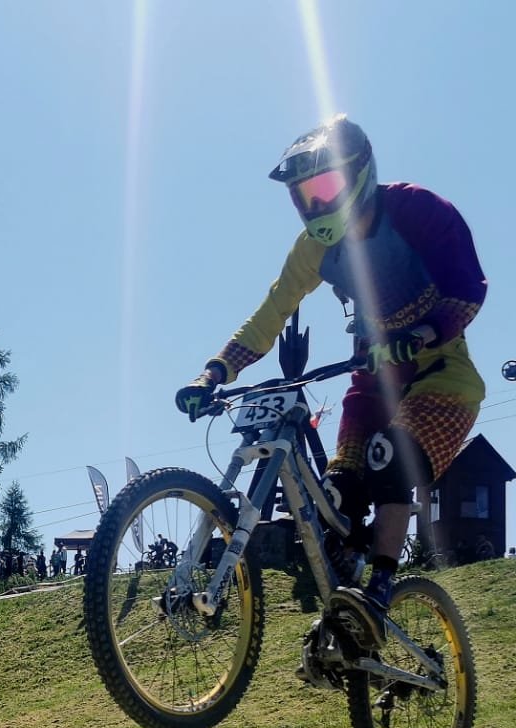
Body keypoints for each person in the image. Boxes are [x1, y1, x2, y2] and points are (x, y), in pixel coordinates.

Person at [176, 116, 487, 648]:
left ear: (360, 173)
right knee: (336, 495)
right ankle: (344, 611)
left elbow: (467, 289)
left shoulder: (417, 210)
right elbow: (270, 315)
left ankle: (380, 595)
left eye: (324, 188)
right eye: (303, 196)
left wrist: (421, 333)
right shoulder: (312, 249)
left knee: (389, 462)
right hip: (372, 382)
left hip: (442, 377)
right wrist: (214, 372)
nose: (315, 205)